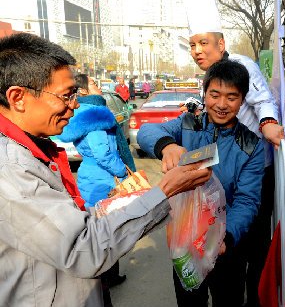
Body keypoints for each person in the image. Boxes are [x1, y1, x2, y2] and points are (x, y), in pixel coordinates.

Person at [0, 32, 212, 307]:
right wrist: (165, 190)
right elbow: (83, 248)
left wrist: (124, 200)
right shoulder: (10, 169)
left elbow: (66, 224)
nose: (74, 105)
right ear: (18, 97)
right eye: (66, 95)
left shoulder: (33, 150)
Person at [182, 0, 283, 305]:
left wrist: (268, 124)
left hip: (254, 170)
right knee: (221, 250)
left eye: (203, 43)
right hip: (220, 175)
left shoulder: (242, 65)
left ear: (221, 42)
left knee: (252, 246)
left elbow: (264, 102)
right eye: (192, 45)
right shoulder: (210, 78)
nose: (197, 50)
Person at [137, 60, 265, 307]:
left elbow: (248, 201)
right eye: (214, 95)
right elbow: (146, 132)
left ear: (242, 99)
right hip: (184, 240)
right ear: (204, 93)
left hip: (225, 247)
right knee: (189, 301)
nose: (221, 104)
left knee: (228, 299)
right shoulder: (188, 124)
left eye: (231, 97)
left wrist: (224, 238)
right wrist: (168, 146)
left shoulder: (251, 145)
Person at [58, 73, 136, 299]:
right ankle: (106, 278)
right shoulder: (95, 118)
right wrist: (122, 170)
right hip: (102, 178)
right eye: (93, 84)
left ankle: (108, 276)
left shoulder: (84, 114)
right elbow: (103, 153)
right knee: (107, 227)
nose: (99, 87)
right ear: (82, 91)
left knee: (101, 225)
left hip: (93, 176)